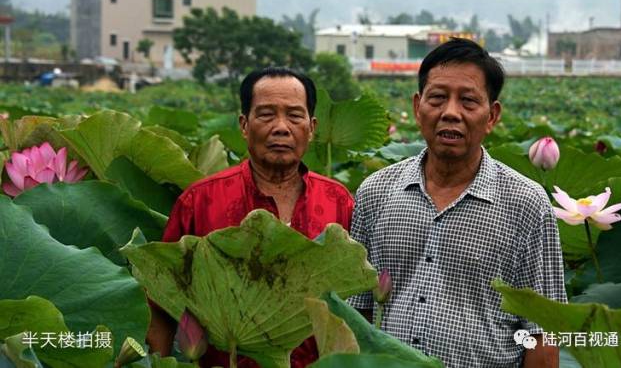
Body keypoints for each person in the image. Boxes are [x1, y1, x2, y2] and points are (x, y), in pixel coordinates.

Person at [348, 38, 566, 368]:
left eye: (467, 101)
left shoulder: (527, 203)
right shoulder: (375, 192)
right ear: (417, 107)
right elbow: (357, 310)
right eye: (437, 98)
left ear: (492, 116)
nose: (451, 113)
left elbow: (544, 334)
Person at [146, 67, 354, 368]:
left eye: (295, 116)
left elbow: (358, 303)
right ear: (244, 125)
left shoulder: (339, 201)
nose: (281, 127)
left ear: (312, 127)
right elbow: (161, 300)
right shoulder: (200, 201)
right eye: (267, 115)